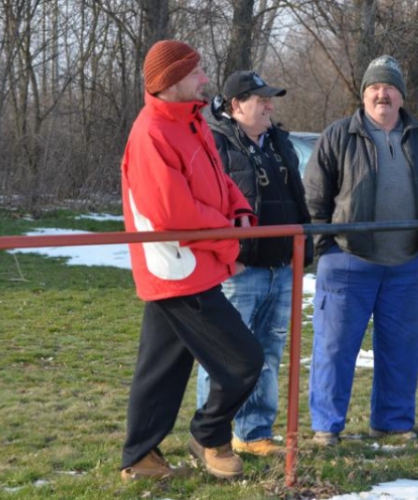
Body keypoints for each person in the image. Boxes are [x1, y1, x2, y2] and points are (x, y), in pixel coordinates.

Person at [119, 40, 264, 481]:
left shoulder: (191, 122)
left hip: (189, 267)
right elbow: (174, 215)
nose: (204, 79)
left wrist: (239, 210)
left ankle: (141, 458)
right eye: (196, 73)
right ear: (171, 82)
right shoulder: (152, 134)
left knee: (161, 369)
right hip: (178, 270)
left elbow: (220, 183)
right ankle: (208, 434)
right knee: (244, 361)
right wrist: (229, 243)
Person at [303, 55, 418, 446]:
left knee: (401, 352)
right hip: (348, 264)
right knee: (334, 351)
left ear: (401, 96)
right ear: (363, 94)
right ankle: (327, 428)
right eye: (374, 87)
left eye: (389, 88)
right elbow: (315, 201)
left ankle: (392, 423)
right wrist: (327, 253)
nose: (381, 94)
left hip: (407, 266)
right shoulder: (338, 135)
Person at [195, 70, 312, 456]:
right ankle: (211, 438)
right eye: (260, 99)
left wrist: (303, 248)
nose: (269, 105)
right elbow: (207, 206)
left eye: (270, 99)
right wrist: (230, 256)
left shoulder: (279, 141)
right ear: (235, 105)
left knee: (268, 352)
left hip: (281, 267)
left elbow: (297, 197)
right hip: (237, 271)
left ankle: (254, 433)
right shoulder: (214, 142)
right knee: (224, 354)